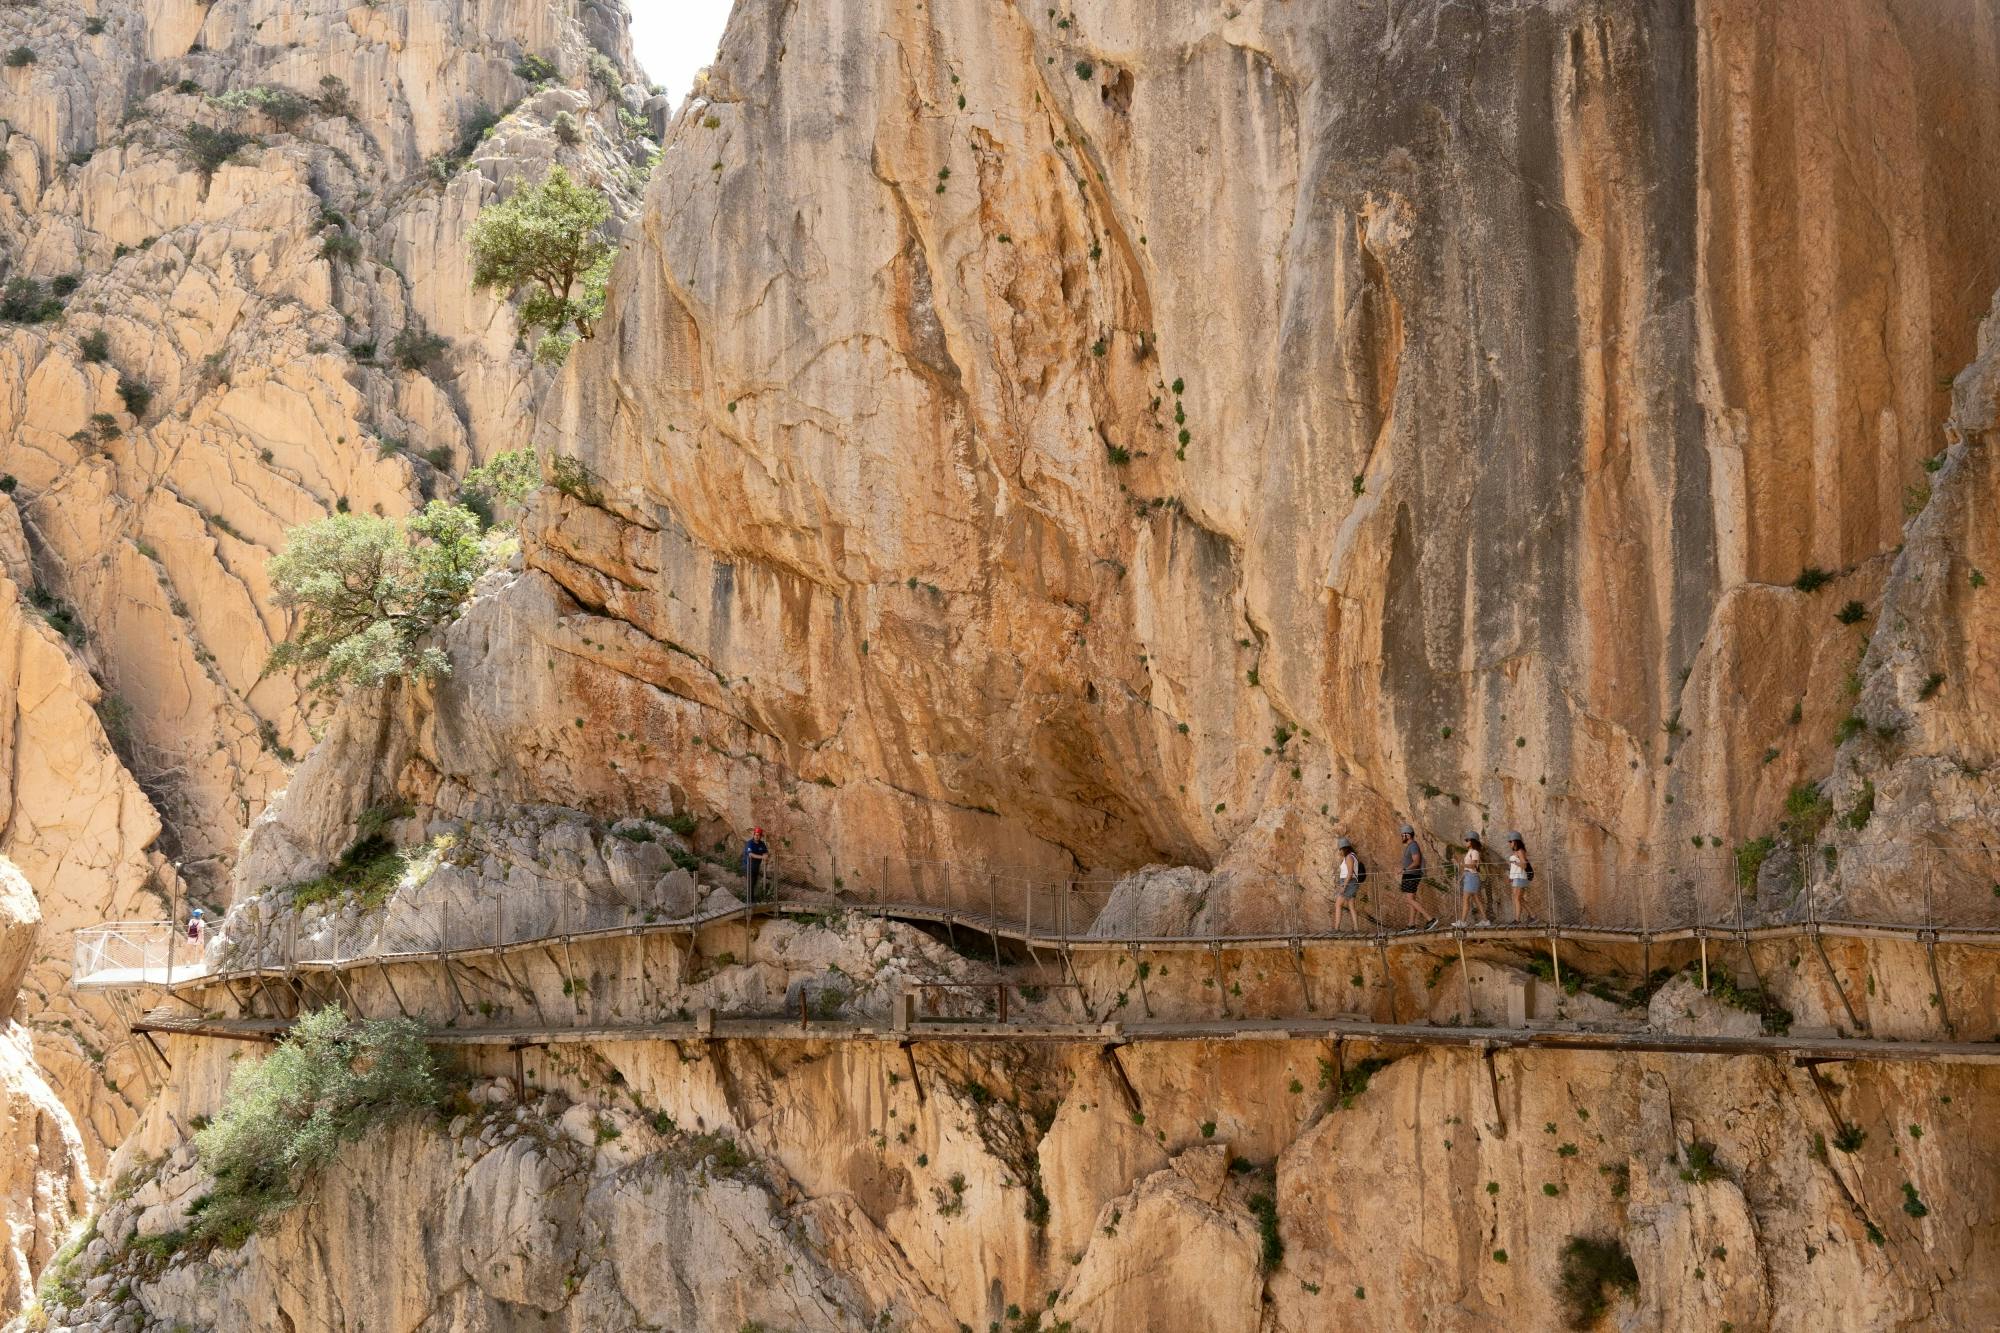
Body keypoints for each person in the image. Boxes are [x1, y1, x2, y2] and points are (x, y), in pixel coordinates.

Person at [1398, 825, 1434, 929]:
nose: (1402, 837)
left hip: (1411, 875)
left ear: (1408, 835)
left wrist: (1404, 870)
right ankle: (1411, 924)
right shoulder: (1411, 846)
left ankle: (1430, 919)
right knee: (1411, 899)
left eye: (1402, 835)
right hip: (1410, 875)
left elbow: (1417, 861)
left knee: (1410, 900)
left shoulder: (1413, 845)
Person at [1456, 832, 1487, 926]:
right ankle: (1485, 921)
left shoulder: (1475, 852)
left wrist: (1462, 864)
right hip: (1469, 877)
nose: (1466, 842)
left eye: (1467, 840)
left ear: (1472, 841)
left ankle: (1463, 922)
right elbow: (1468, 868)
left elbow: (1473, 866)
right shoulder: (1470, 852)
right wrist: (1461, 876)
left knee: (1466, 899)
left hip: (1472, 877)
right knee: (1477, 900)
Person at [1333, 836, 1364, 932]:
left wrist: (1344, 886)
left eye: (1340, 849)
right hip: (1351, 882)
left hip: (1349, 883)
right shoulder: (1352, 856)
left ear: (1344, 848)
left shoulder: (1349, 857)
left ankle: (1336, 929)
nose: (1340, 851)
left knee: (1338, 904)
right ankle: (1356, 928)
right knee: (1351, 906)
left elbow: (1350, 873)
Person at [1505, 831, 1534, 924]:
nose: (1509, 843)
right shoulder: (1515, 852)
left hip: (1521, 877)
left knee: (1517, 898)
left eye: (1510, 841)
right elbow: (1514, 867)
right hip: (1516, 877)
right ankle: (1533, 915)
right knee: (1519, 898)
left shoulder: (1520, 851)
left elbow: (1524, 865)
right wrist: (1511, 877)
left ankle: (1517, 920)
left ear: (1516, 841)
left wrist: (1515, 863)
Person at [742, 827, 769, 901]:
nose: (757, 836)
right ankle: (749, 901)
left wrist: (766, 855)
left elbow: (765, 852)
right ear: (753, 835)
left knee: (753, 883)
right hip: (748, 866)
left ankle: (751, 899)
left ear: (760, 836)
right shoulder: (750, 843)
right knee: (750, 883)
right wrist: (762, 857)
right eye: (756, 835)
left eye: (758, 835)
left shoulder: (762, 844)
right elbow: (751, 854)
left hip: (756, 867)